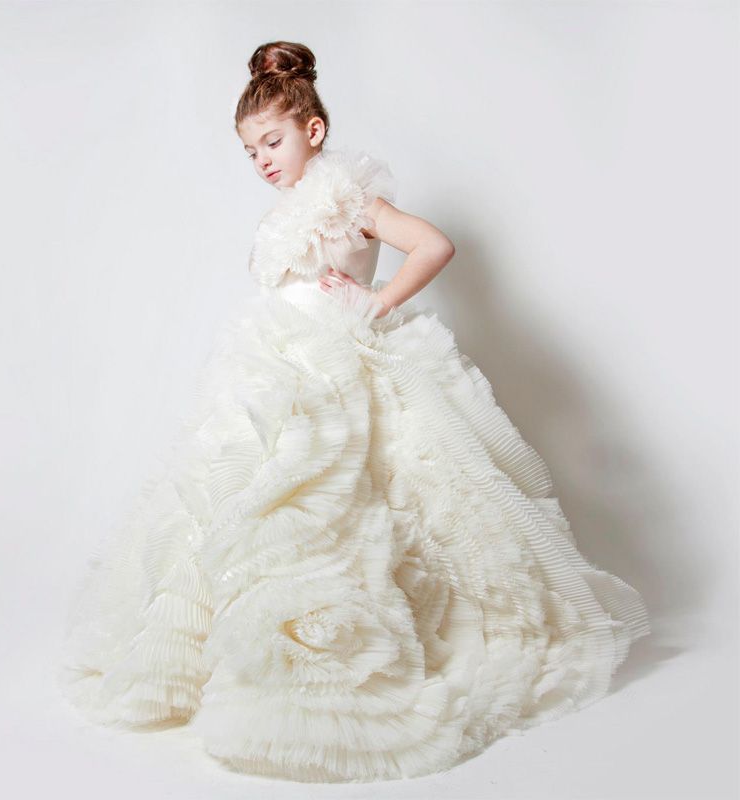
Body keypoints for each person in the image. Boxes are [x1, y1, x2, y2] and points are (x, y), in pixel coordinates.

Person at [57, 40, 651, 783]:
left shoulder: (349, 200)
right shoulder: (284, 215)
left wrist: (378, 301)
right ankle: (238, 653)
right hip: (277, 370)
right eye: (250, 150)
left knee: (359, 501)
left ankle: (356, 646)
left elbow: (433, 244)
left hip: (340, 364)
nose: (262, 159)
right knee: (245, 497)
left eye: (272, 141)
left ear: (312, 131)